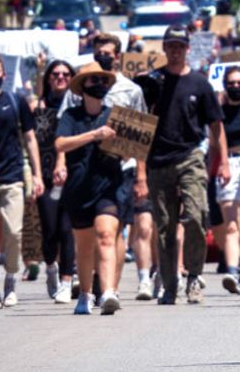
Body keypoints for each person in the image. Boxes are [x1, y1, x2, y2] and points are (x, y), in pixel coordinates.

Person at [141, 25, 229, 305]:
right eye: (171, 46)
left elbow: (216, 125)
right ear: (164, 48)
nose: (176, 51)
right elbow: (136, 121)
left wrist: (224, 161)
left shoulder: (200, 83)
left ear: (188, 48)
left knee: (195, 216)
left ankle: (193, 277)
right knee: (165, 227)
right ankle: (169, 285)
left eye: (181, 46)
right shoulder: (153, 81)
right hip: (158, 159)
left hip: (190, 156)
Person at [61, 33, 152, 301]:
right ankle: (92, 286)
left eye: (108, 53)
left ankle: (111, 287)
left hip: (119, 169)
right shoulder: (76, 95)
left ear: (118, 56)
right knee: (89, 236)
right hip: (83, 171)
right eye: (99, 51)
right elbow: (61, 133)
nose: (103, 56)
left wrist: (141, 176)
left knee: (112, 230)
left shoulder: (131, 90)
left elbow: (140, 137)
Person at [54, 62, 125, 315]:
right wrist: (94, 135)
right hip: (79, 188)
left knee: (106, 235)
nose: (99, 85)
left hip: (108, 185)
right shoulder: (70, 117)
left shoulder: (115, 115)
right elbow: (61, 143)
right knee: (84, 247)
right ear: (82, 86)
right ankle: (85, 294)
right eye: (93, 80)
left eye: (103, 81)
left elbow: (133, 149)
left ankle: (107, 292)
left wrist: (121, 145)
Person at [0, 53, 44, 308]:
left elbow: (29, 138)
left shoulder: (16, 102)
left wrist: (36, 174)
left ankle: (11, 280)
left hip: (13, 175)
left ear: (4, 75)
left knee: (14, 232)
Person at [212, 67, 240, 294]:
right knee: (231, 223)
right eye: (232, 82)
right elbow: (214, 142)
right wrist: (219, 165)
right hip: (228, 164)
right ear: (225, 84)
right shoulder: (218, 112)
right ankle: (232, 270)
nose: (237, 86)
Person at [35, 60, 77, 303]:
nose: (60, 77)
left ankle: (66, 280)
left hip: (72, 177)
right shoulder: (37, 106)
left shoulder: (76, 107)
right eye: (55, 74)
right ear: (48, 78)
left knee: (67, 230)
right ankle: (51, 267)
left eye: (65, 74)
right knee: (50, 231)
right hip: (47, 177)